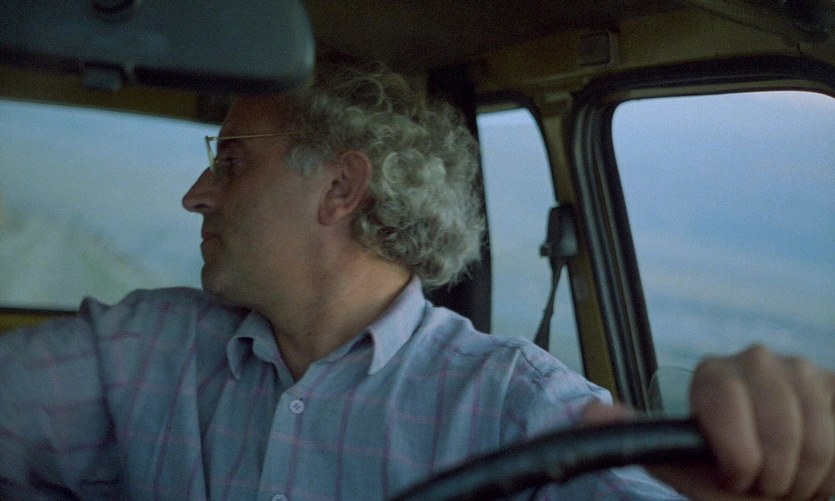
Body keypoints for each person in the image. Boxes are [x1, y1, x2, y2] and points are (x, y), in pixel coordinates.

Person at [0, 58, 832, 500]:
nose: (195, 194)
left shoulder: (517, 407)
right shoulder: (139, 346)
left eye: (230, 161)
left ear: (339, 187)